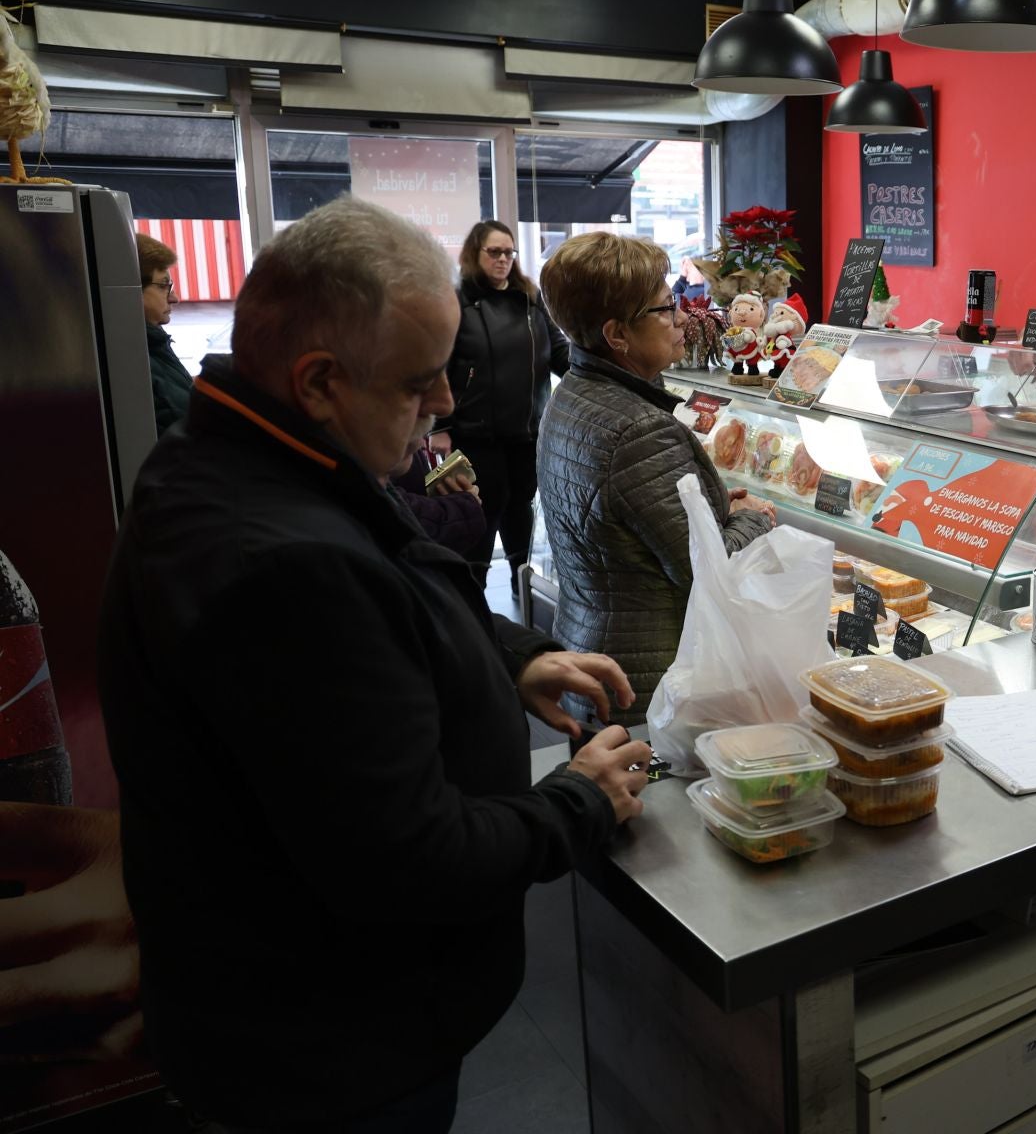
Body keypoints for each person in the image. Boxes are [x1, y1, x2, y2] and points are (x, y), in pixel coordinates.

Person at [95, 197, 654, 1133]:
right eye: (418, 382)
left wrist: (505, 657)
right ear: (319, 380)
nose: (442, 404)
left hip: (300, 1015)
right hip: (329, 1049)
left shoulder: (251, 451)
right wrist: (579, 803)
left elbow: (401, 578)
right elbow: (409, 862)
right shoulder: (280, 565)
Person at [536, 232, 778, 727]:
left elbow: (623, 528)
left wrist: (713, 509)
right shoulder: (638, 428)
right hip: (648, 688)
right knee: (654, 799)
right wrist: (750, 522)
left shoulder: (573, 393)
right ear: (617, 335)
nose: (684, 317)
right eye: (665, 308)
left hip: (595, 655)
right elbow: (704, 571)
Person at [445, 220, 571, 583]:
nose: (503, 259)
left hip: (527, 428)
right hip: (474, 431)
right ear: (475, 253)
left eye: (508, 252)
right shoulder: (458, 300)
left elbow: (558, 350)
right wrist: (440, 427)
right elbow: (438, 363)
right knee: (481, 511)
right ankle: (472, 591)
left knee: (521, 507)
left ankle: (524, 587)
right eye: (494, 252)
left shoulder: (530, 298)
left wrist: (591, 373)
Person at [136, 232, 191, 432]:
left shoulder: (153, 344)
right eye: (163, 286)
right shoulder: (135, 360)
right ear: (131, 289)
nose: (174, 297)